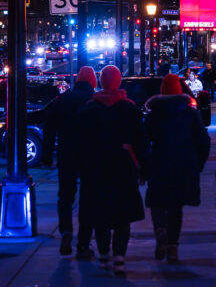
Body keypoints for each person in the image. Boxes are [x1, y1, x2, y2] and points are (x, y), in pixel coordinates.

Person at [77, 65, 148, 275]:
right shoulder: (129, 109)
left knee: (100, 215)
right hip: (123, 166)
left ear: (101, 81)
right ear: (118, 81)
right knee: (122, 216)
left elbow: (80, 144)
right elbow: (140, 141)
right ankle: (119, 256)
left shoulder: (89, 109)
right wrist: (143, 167)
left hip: (96, 167)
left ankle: (103, 254)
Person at [144, 74, 210, 263]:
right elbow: (203, 142)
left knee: (157, 202)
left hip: (159, 164)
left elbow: (143, 141)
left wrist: (144, 165)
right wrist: (198, 164)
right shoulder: (190, 114)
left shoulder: (154, 115)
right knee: (176, 206)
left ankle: (160, 231)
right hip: (184, 164)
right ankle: (173, 245)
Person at [42, 66, 98, 259]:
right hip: (91, 156)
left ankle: (66, 232)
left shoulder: (63, 100)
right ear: (93, 82)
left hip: (67, 153)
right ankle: (83, 241)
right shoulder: (95, 101)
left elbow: (49, 129)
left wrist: (47, 156)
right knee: (89, 198)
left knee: (65, 196)